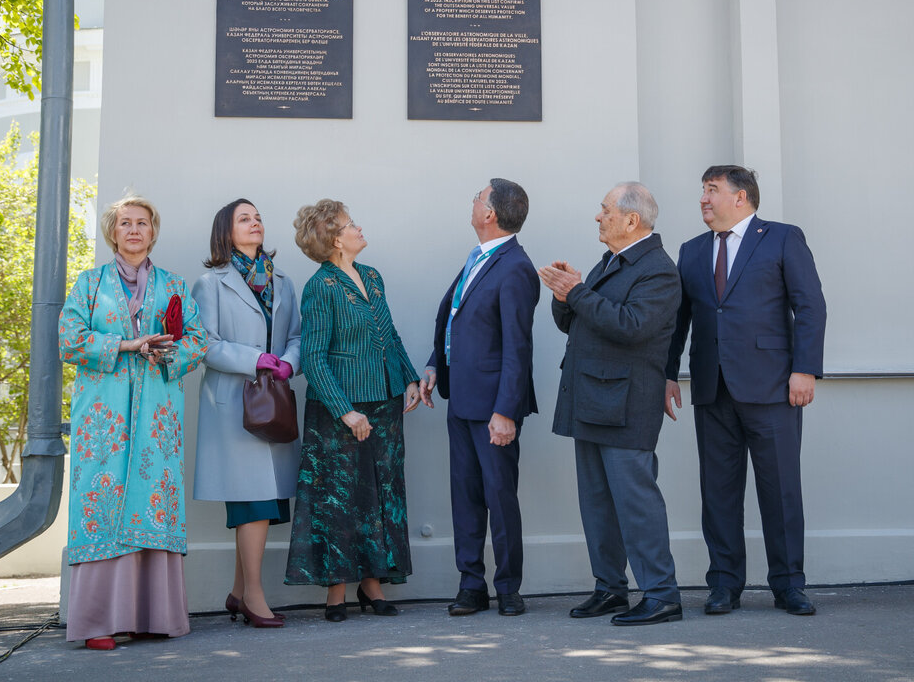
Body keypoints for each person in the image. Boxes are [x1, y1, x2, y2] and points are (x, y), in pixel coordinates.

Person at [664, 165, 826, 616]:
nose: (703, 199)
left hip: (774, 387)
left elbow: (810, 306)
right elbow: (680, 321)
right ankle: (724, 585)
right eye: (702, 190)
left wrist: (805, 369)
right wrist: (666, 374)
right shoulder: (692, 250)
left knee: (780, 491)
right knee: (718, 493)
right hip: (712, 389)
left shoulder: (781, 238)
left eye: (711, 190)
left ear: (741, 197)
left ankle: (789, 585)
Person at [59, 194, 207, 649]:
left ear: (153, 231)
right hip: (103, 417)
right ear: (113, 232)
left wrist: (166, 352)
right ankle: (97, 622)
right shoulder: (89, 283)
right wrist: (126, 345)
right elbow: (68, 339)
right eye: (125, 223)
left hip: (157, 417)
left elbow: (198, 340)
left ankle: (150, 616)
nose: (135, 230)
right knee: (102, 500)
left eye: (143, 223)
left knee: (151, 498)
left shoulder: (174, 285)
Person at [539, 182, 683, 626]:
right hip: (592, 400)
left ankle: (662, 596)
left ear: (630, 220)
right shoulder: (612, 262)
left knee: (636, 503)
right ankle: (610, 590)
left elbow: (632, 326)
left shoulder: (658, 269)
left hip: (626, 405)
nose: (598, 217)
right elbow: (579, 324)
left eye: (604, 210)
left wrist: (578, 291)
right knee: (597, 505)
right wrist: (565, 295)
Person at [283, 199, 421, 622]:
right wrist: (346, 412)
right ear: (333, 238)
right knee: (338, 500)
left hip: (385, 403)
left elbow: (390, 334)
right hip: (339, 410)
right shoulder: (319, 287)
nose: (358, 228)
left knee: (379, 495)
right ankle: (336, 591)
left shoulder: (371, 276)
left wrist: (410, 379)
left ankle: (372, 581)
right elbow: (315, 357)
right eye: (350, 224)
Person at [420, 178, 540, 617]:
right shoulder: (479, 257)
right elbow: (456, 320)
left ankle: (509, 588)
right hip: (461, 401)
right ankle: (471, 586)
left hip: (494, 409)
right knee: (465, 498)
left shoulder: (515, 267)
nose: (471, 201)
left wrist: (505, 412)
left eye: (477, 196)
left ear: (490, 213)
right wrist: (436, 364)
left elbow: (518, 347)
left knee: (499, 498)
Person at [191, 198, 300, 629]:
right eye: (244, 218)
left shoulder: (284, 282)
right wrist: (256, 359)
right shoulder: (210, 283)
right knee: (252, 500)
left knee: (266, 499)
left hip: (272, 401)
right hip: (233, 404)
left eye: (258, 217)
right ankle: (255, 597)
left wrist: (290, 361)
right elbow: (205, 344)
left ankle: (238, 592)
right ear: (226, 231)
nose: (255, 223)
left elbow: (296, 335)